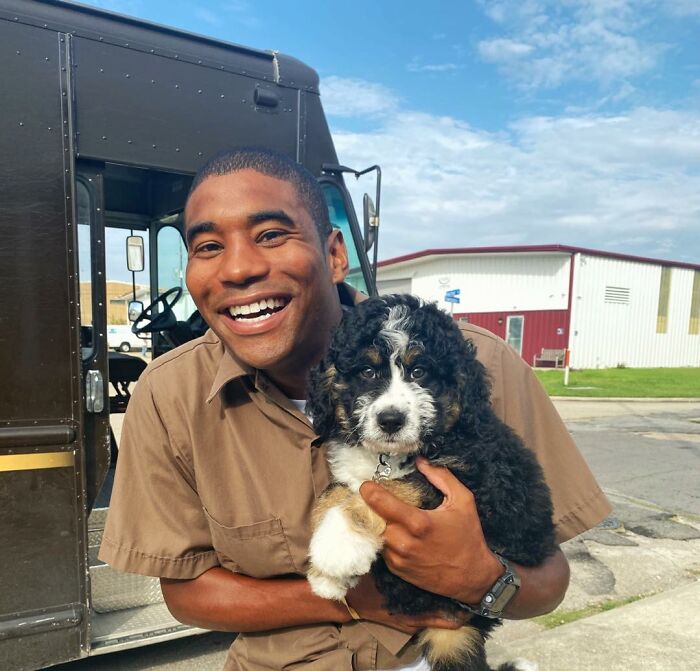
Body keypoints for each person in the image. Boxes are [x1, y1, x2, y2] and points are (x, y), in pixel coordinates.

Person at [99, 147, 611, 671]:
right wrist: (357, 601)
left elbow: (548, 583)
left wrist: (478, 577)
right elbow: (188, 596)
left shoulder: (475, 362)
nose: (238, 268)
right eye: (207, 245)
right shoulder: (167, 394)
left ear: (335, 253)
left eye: (271, 235)